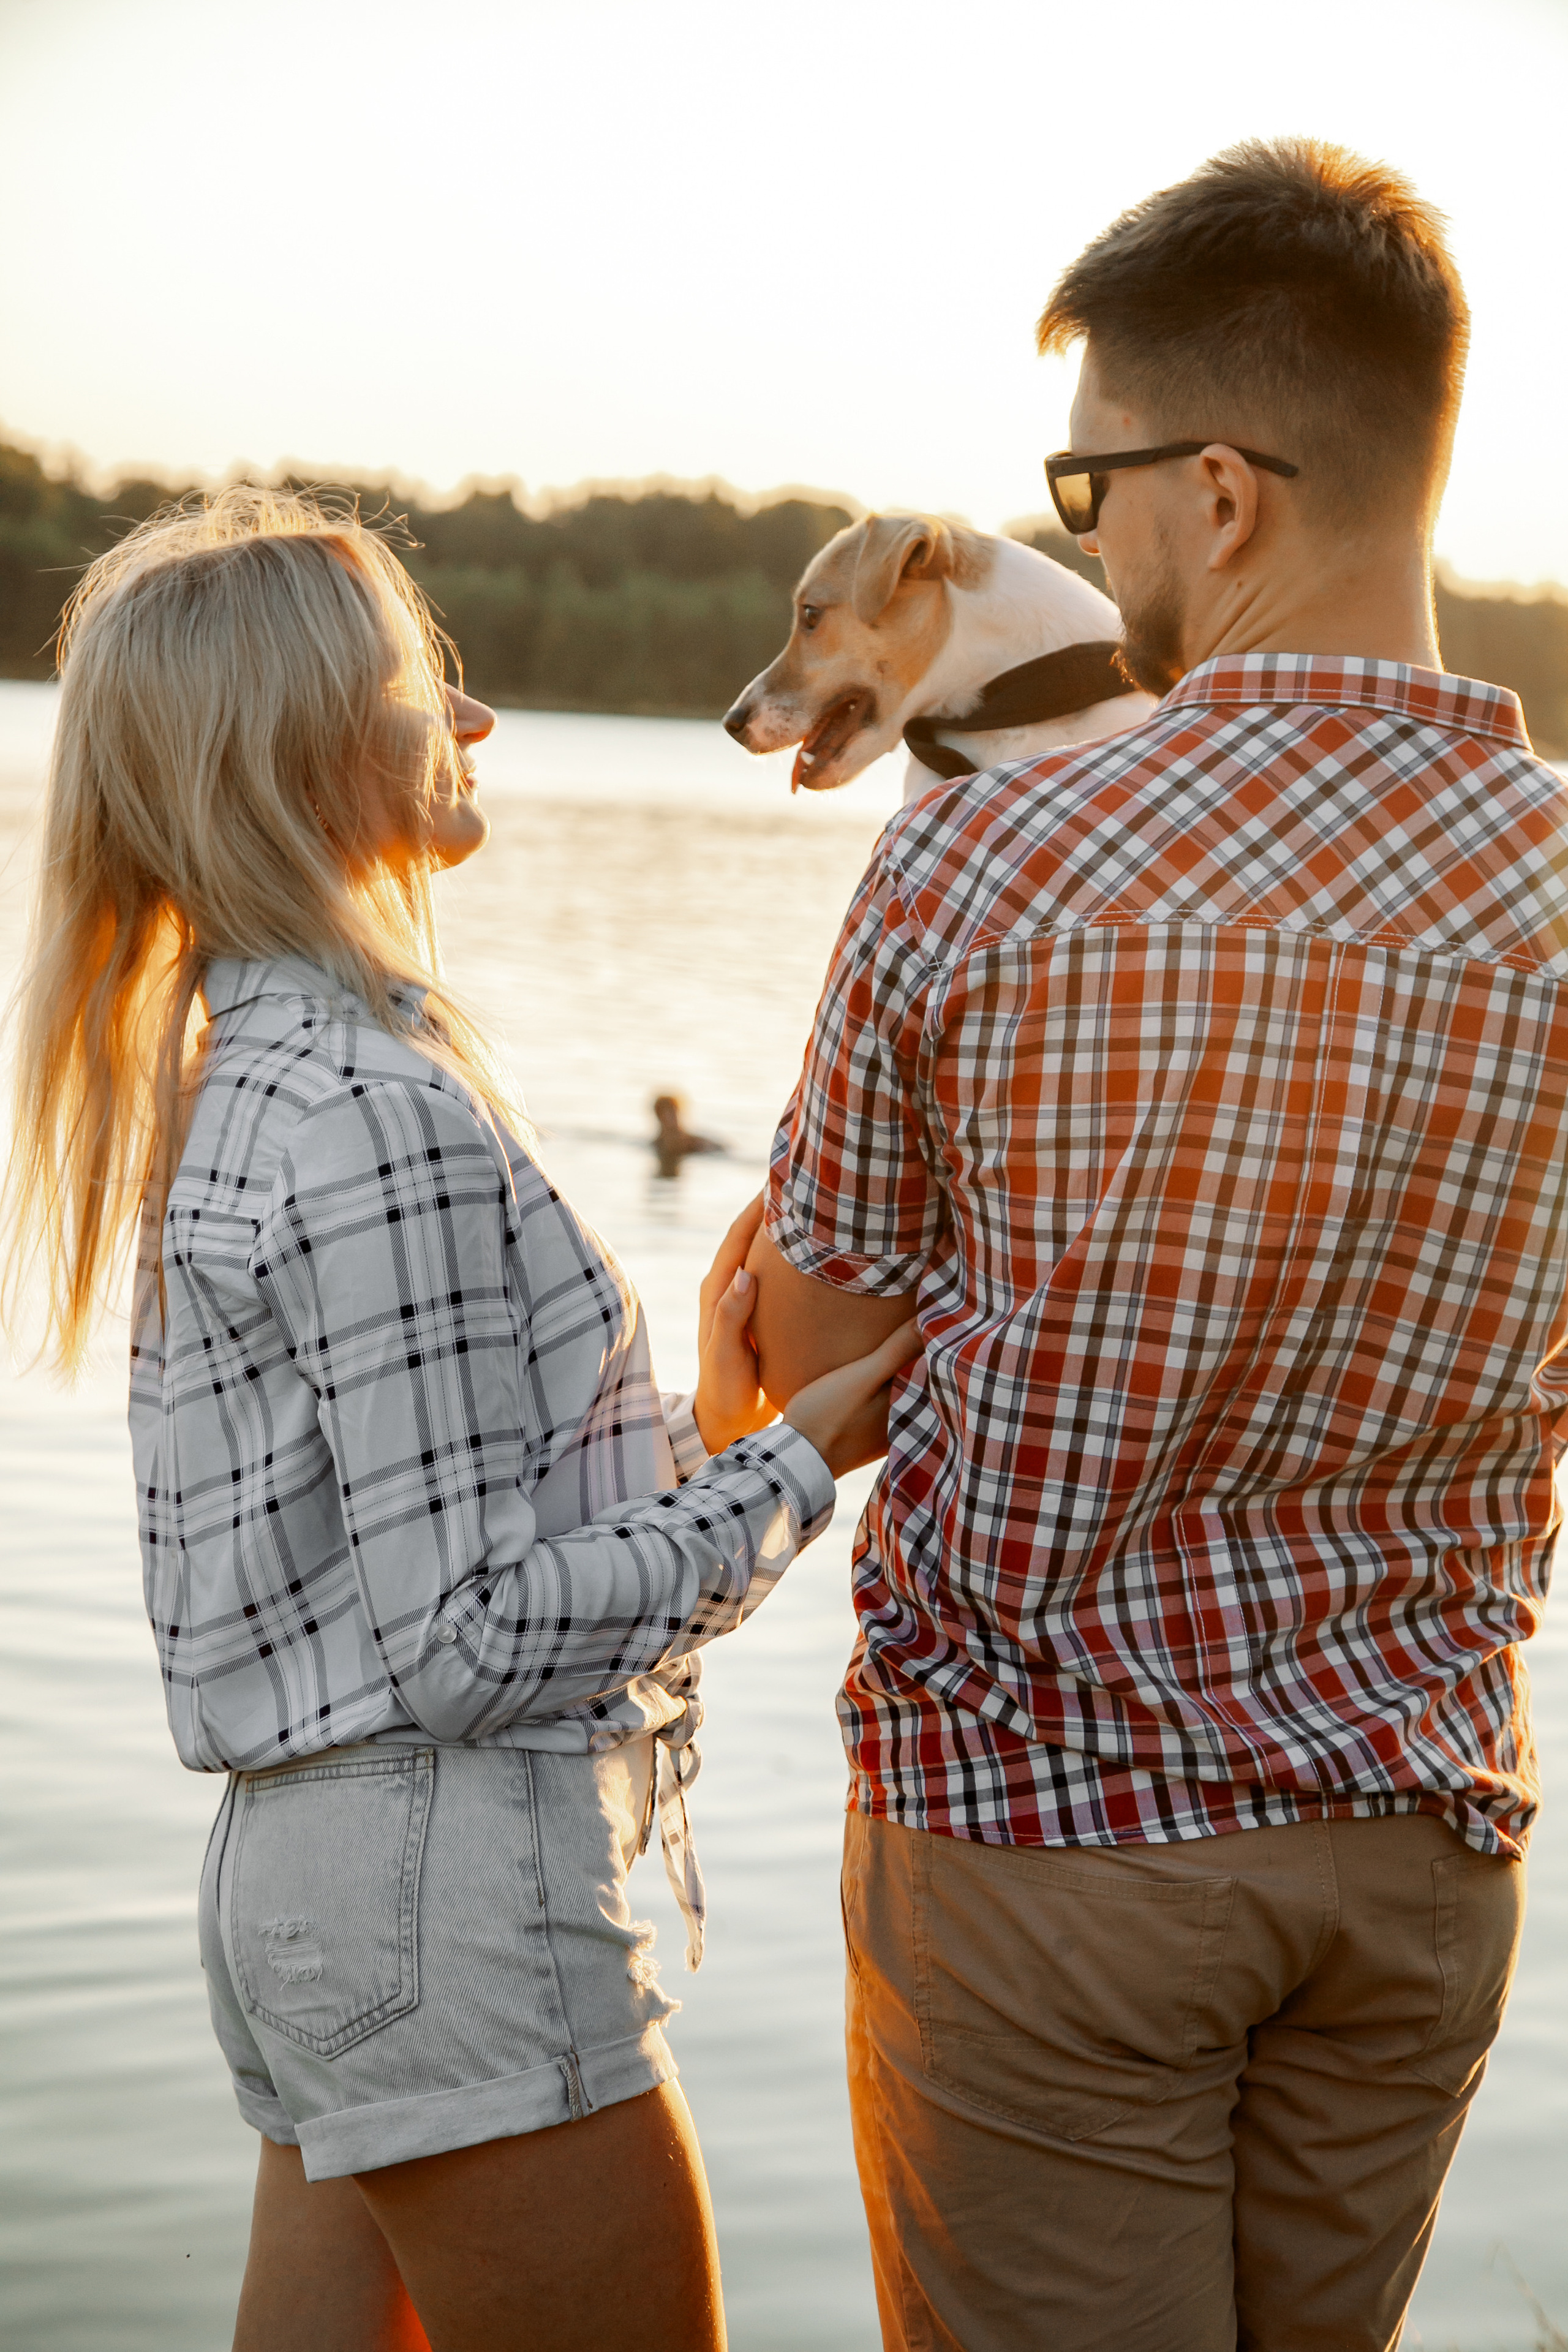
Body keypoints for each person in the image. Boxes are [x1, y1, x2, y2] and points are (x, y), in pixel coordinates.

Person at [745, 140, 1564, 2352]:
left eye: (1087, 482)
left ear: (1222, 491)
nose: (1075, 535)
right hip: (1416, 1864)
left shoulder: (992, 859)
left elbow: (822, 1355)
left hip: (1046, 1829)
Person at [0, 487, 916, 2352]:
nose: (480, 724)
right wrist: (791, 1471)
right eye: (439, 685)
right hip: (443, 1892)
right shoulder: (374, 1103)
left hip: (318, 1891)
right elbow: (467, 1637)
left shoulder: (243, 1075)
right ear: (320, 741)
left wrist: (685, 1423)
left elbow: (402, 1531)